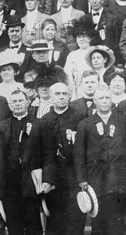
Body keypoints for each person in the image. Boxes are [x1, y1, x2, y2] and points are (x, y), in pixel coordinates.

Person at [74, 84, 126, 235]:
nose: (105, 101)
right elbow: (79, 154)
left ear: (112, 100)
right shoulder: (85, 124)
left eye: (107, 97)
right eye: (101, 98)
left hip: (119, 180)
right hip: (96, 180)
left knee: (117, 221)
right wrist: (82, 179)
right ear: (95, 101)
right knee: (99, 222)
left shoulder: (123, 122)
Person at [0, 89, 44, 235]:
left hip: (31, 180)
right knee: (14, 225)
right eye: (14, 101)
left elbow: (47, 154)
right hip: (10, 182)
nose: (17, 104)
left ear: (27, 103)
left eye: (20, 101)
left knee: (33, 222)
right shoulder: (2, 127)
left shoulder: (39, 124)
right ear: (10, 105)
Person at [39, 82, 87, 234]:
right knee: (56, 219)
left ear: (69, 96)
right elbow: (43, 153)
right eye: (57, 94)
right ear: (51, 97)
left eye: (64, 94)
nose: (61, 97)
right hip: (54, 177)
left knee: (75, 217)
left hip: (74, 175)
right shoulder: (45, 120)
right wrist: (47, 179)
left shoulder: (80, 117)